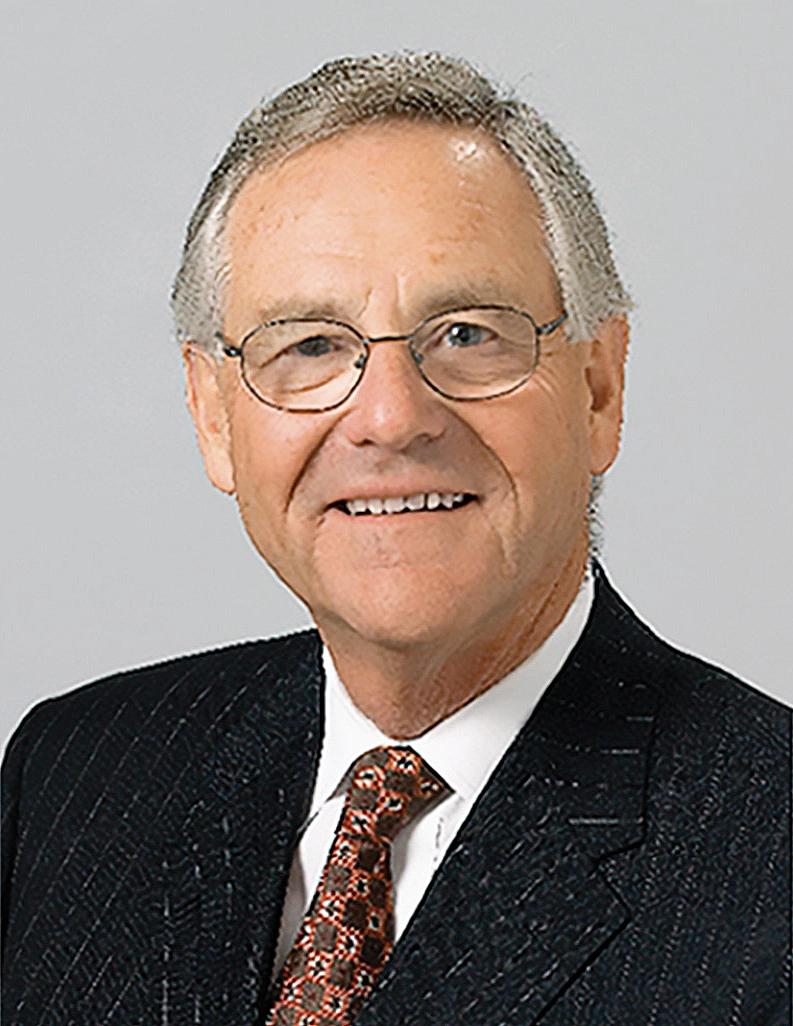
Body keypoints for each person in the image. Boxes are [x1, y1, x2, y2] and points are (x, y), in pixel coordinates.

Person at [2, 52, 789, 1026]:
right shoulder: (78, 776)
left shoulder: (767, 852)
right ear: (212, 414)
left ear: (598, 388)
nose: (389, 418)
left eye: (466, 334)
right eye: (309, 345)